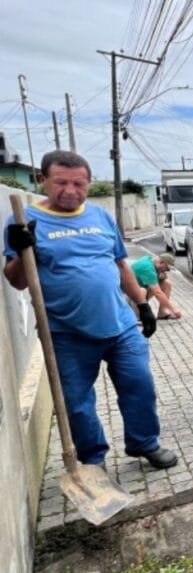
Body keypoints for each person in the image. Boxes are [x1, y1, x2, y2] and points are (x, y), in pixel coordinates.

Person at [4, 150, 178, 470]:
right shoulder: (23, 221)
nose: (71, 191)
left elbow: (121, 264)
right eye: (61, 183)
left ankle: (144, 443)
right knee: (78, 403)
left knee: (139, 385)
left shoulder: (100, 217)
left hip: (121, 325)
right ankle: (92, 459)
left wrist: (142, 304)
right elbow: (16, 282)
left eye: (79, 184)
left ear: (88, 183)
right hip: (66, 332)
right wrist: (20, 249)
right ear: (42, 181)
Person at [131, 252, 183, 320]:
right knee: (142, 290)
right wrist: (173, 309)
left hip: (138, 291)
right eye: (167, 268)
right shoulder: (147, 268)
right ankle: (139, 317)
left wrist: (159, 274)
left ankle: (162, 313)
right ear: (162, 263)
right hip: (128, 296)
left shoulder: (149, 259)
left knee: (166, 284)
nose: (167, 271)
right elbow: (157, 292)